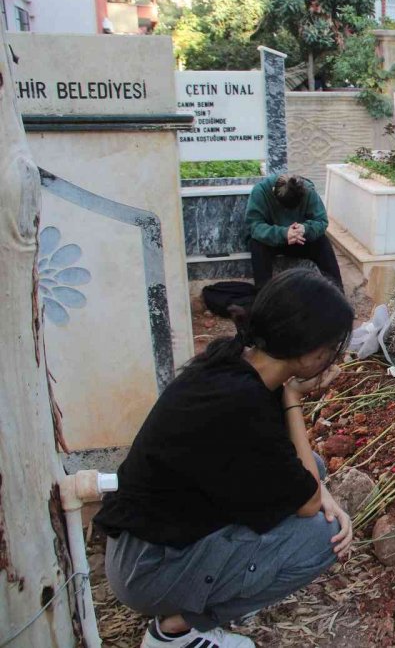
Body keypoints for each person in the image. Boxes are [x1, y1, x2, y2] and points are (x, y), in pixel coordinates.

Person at [94, 269, 355, 648]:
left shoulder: (235, 364)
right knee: (323, 538)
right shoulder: (243, 405)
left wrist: (319, 490)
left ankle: (184, 606)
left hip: (143, 544)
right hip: (148, 568)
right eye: (333, 348)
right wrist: (295, 397)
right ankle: (177, 631)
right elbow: (309, 502)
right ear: (309, 351)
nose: (333, 358)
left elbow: (302, 476)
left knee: (311, 465)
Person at [245, 173, 343, 291]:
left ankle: (337, 291)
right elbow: (254, 226)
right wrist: (284, 233)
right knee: (257, 244)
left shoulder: (308, 191)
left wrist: (305, 229)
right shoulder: (260, 192)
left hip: (300, 238)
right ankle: (263, 293)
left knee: (322, 241)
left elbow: (321, 221)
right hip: (272, 240)